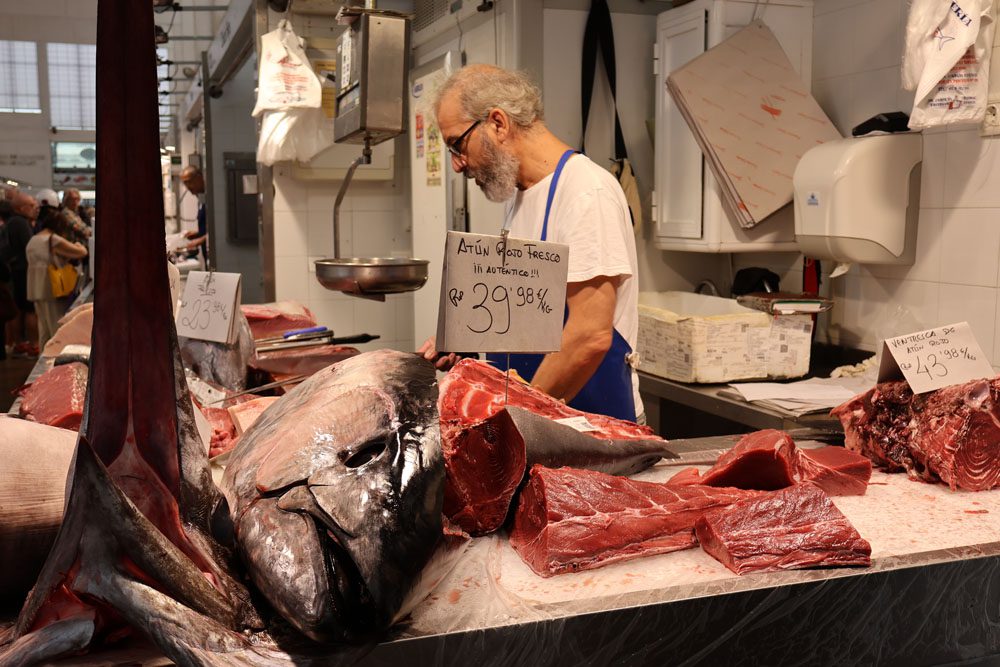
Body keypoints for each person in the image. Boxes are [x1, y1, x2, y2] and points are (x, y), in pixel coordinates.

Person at [418, 64, 643, 423]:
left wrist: (518, 414)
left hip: (590, 427)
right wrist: (469, 340)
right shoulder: (521, 197)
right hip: (546, 425)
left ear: (498, 123)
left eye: (457, 145)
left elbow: (590, 335)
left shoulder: (586, 193)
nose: (458, 166)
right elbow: (530, 311)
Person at [25, 210, 88, 349]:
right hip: (52, 287)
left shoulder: (34, 239)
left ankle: (42, 361)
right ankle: (53, 360)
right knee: (56, 327)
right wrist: (78, 244)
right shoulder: (53, 239)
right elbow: (81, 252)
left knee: (44, 329)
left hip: (35, 287)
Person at [2, 191, 40, 357]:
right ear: (19, 208)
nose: (34, 208)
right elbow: (30, 247)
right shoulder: (20, 223)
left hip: (16, 271)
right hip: (24, 271)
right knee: (30, 309)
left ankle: (19, 343)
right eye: (30, 205)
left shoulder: (13, 222)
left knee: (19, 309)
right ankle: (33, 344)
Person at [179, 165, 208, 256]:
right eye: (185, 183)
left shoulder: (212, 199)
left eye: (189, 182)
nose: (188, 187)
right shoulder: (201, 199)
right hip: (205, 252)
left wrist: (200, 240)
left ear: (199, 178)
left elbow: (218, 231)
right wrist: (197, 233)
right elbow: (208, 227)